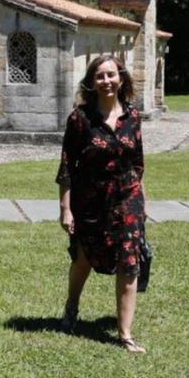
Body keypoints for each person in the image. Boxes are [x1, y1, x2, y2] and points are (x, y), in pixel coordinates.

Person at [56, 54, 150, 353]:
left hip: (127, 198)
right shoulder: (79, 119)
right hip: (91, 200)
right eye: (100, 76)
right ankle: (71, 308)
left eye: (111, 75)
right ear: (91, 82)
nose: (106, 81)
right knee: (83, 259)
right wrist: (65, 208)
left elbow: (137, 162)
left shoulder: (133, 117)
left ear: (121, 78)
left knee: (129, 262)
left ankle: (125, 334)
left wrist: (143, 201)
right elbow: (67, 165)